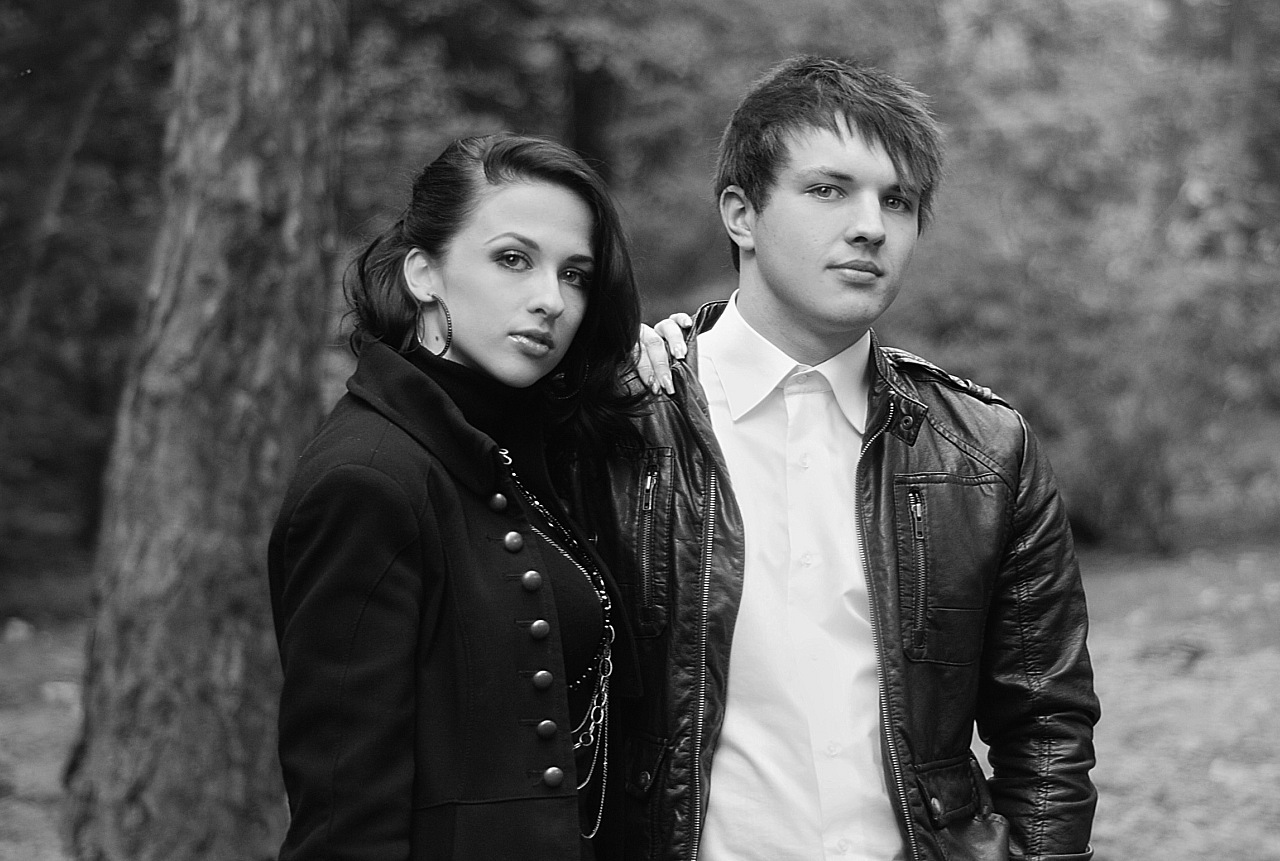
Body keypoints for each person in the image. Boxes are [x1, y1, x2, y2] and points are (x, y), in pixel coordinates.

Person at [585, 56, 1101, 861]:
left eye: (897, 200)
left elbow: (1046, 722)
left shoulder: (983, 450)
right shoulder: (617, 425)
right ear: (741, 214)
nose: (871, 226)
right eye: (829, 189)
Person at [267, 132, 650, 860]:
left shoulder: (522, 450)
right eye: (513, 259)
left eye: (574, 275)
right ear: (424, 273)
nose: (551, 301)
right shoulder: (369, 479)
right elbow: (344, 820)